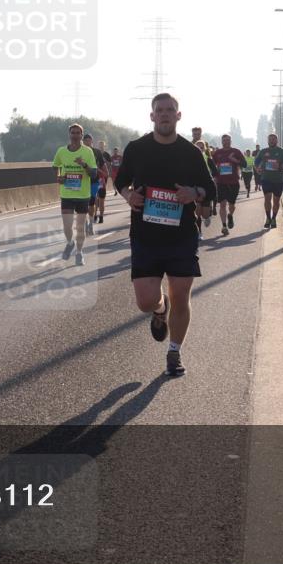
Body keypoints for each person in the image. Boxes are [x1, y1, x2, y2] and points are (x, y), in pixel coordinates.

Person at [114, 94, 214, 376]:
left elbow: (210, 187)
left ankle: (174, 352)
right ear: (152, 116)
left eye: (171, 110)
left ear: (178, 116)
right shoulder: (137, 148)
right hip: (145, 236)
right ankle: (160, 310)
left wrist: (194, 193)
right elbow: (121, 180)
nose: (165, 114)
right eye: (160, 110)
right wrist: (128, 196)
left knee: (181, 296)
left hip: (181, 235)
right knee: (145, 301)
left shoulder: (190, 153)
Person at [52, 123, 97, 266]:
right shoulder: (61, 151)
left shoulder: (88, 152)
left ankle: (79, 252)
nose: (75, 135)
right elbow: (56, 166)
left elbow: (94, 173)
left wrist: (83, 164)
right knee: (67, 226)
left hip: (83, 195)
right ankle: (70, 243)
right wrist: (59, 177)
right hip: (66, 194)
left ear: (82, 136)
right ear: (69, 135)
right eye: (73, 132)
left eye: (78, 133)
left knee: (80, 227)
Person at [211, 134, 247, 236]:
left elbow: (245, 164)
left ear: (231, 141)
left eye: (228, 140)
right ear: (221, 142)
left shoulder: (236, 152)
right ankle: (224, 226)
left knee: (232, 205)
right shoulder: (217, 153)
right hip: (221, 183)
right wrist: (215, 175)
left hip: (233, 183)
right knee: (222, 204)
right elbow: (211, 165)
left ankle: (230, 215)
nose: (226, 142)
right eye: (224, 140)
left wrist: (235, 160)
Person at [254, 133, 283, 229]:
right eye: (270, 139)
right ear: (267, 141)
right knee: (267, 199)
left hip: (278, 180)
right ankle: (268, 218)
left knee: (276, 201)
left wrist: (280, 166)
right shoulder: (263, 151)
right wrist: (258, 168)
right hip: (266, 179)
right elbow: (256, 162)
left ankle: (274, 218)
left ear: (277, 141)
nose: (272, 141)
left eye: (274, 139)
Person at [83, 133, 109, 233]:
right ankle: (87, 221)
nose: (87, 142)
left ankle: (96, 219)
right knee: (83, 204)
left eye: (89, 140)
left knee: (93, 202)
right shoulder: (80, 151)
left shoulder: (97, 152)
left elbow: (104, 167)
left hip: (96, 180)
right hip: (84, 181)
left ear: (92, 141)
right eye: (85, 140)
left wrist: (104, 172)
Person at [95, 140, 113, 224]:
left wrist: (107, 174)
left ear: (104, 146)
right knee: (95, 199)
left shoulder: (106, 155)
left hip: (102, 178)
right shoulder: (93, 153)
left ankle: (101, 216)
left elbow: (109, 165)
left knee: (101, 198)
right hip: (93, 179)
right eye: (99, 145)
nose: (101, 146)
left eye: (102, 145)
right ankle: (94, 214)